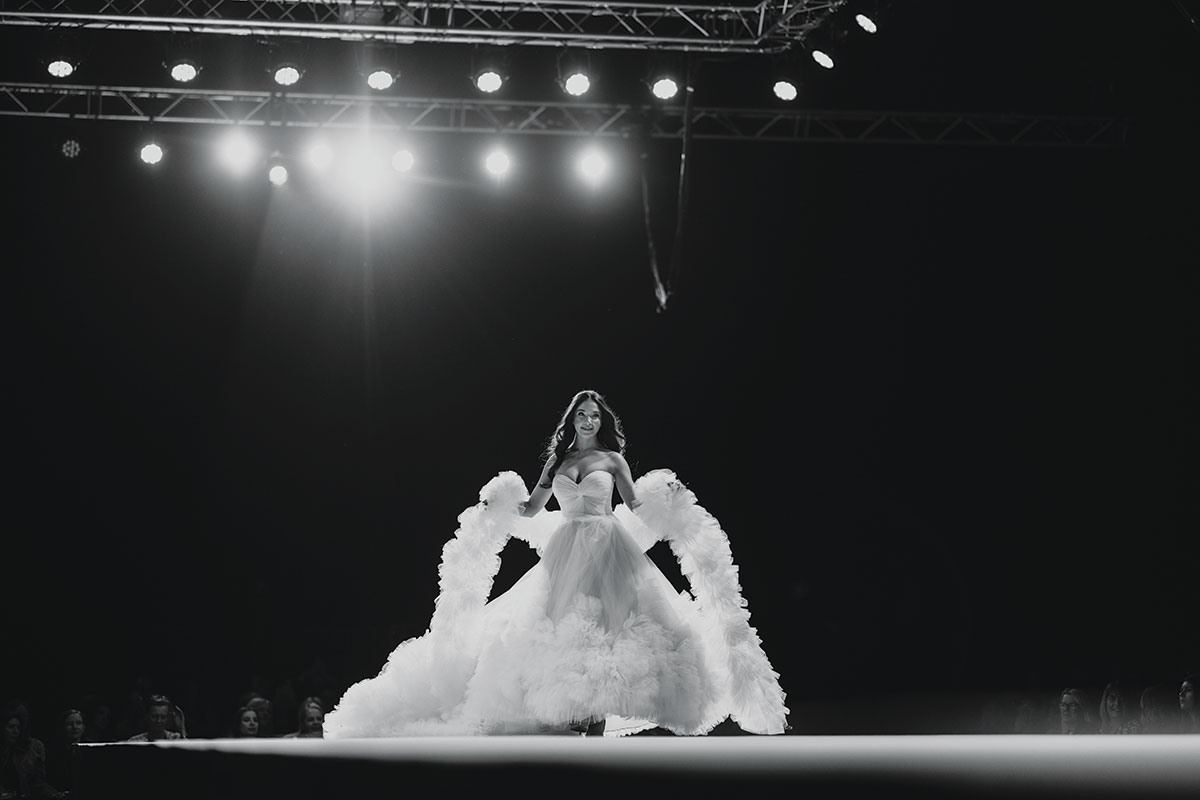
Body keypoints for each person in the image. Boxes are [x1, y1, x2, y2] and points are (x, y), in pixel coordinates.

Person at [324, 389, 788, 738]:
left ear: (601, 422)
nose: (587, 421)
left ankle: (598, 721)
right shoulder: (558, 462)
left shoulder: (614, 459)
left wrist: (665, 502)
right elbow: (531, 510)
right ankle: (575, 722)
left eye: (594, 416)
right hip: (567, 548)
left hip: (608, 545)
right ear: (572, 420)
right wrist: (499, 505)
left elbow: (633, 506)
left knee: (612, 629)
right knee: (563, 628)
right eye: (581, 415)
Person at [1, 705, 52, 799]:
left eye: (18, 728)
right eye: (11, 727)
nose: (15, 731)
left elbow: (38, 783)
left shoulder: (24, 751)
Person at [45, 708, 85, 796]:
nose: (74, 727)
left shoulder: (91, 750)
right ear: (62, 727)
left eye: (78, 723)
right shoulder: (53, 753)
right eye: (70, 724)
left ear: (84, 726)